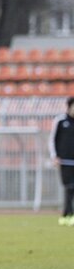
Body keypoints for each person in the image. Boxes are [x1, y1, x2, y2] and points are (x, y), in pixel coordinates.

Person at [49, 96, 74, 226]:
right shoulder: (60, 121)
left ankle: (67, 215)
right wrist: (54, 156)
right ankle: (68, 215)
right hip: (65, 161)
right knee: (69, 188)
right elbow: (52, 139)